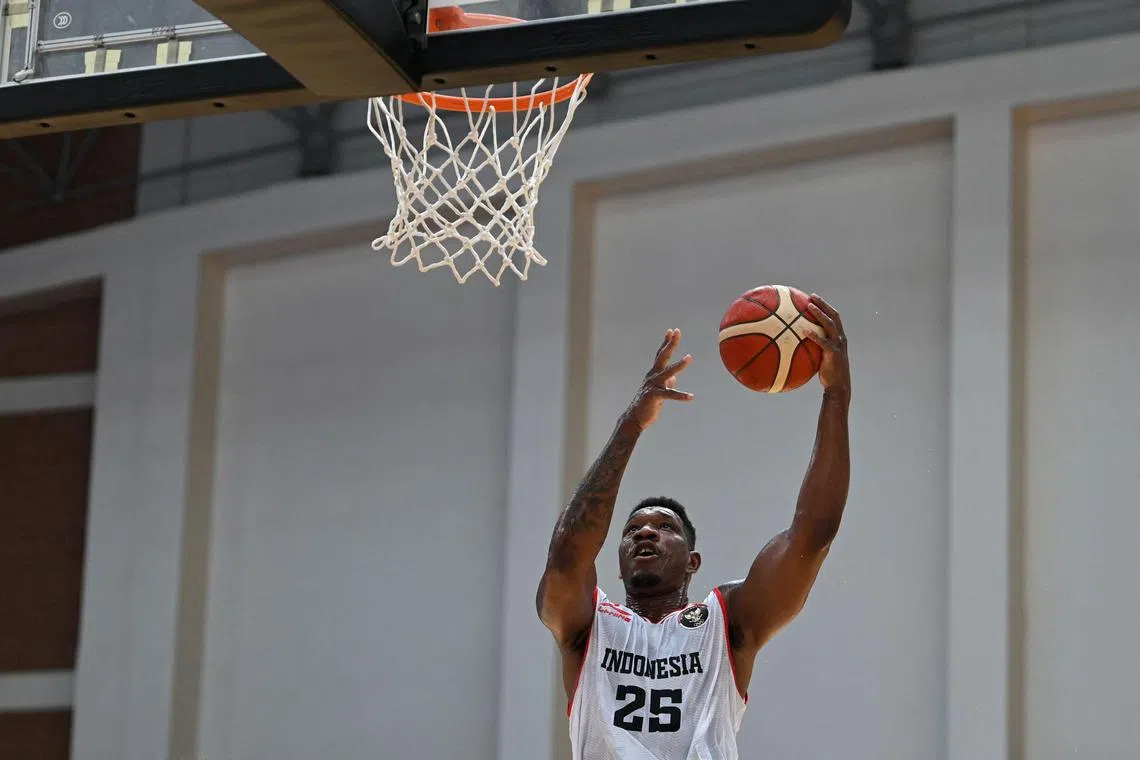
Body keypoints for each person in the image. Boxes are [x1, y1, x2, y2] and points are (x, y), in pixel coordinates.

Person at [535, 294, 851, 760]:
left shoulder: (729, 620)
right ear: (617, 566)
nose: (644, 533)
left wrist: (836, 394)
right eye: (632, 531)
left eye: (664, 528)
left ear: (692, 561)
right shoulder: (587, 625)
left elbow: (813, 534)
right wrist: (630, 426)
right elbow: (566, 554)